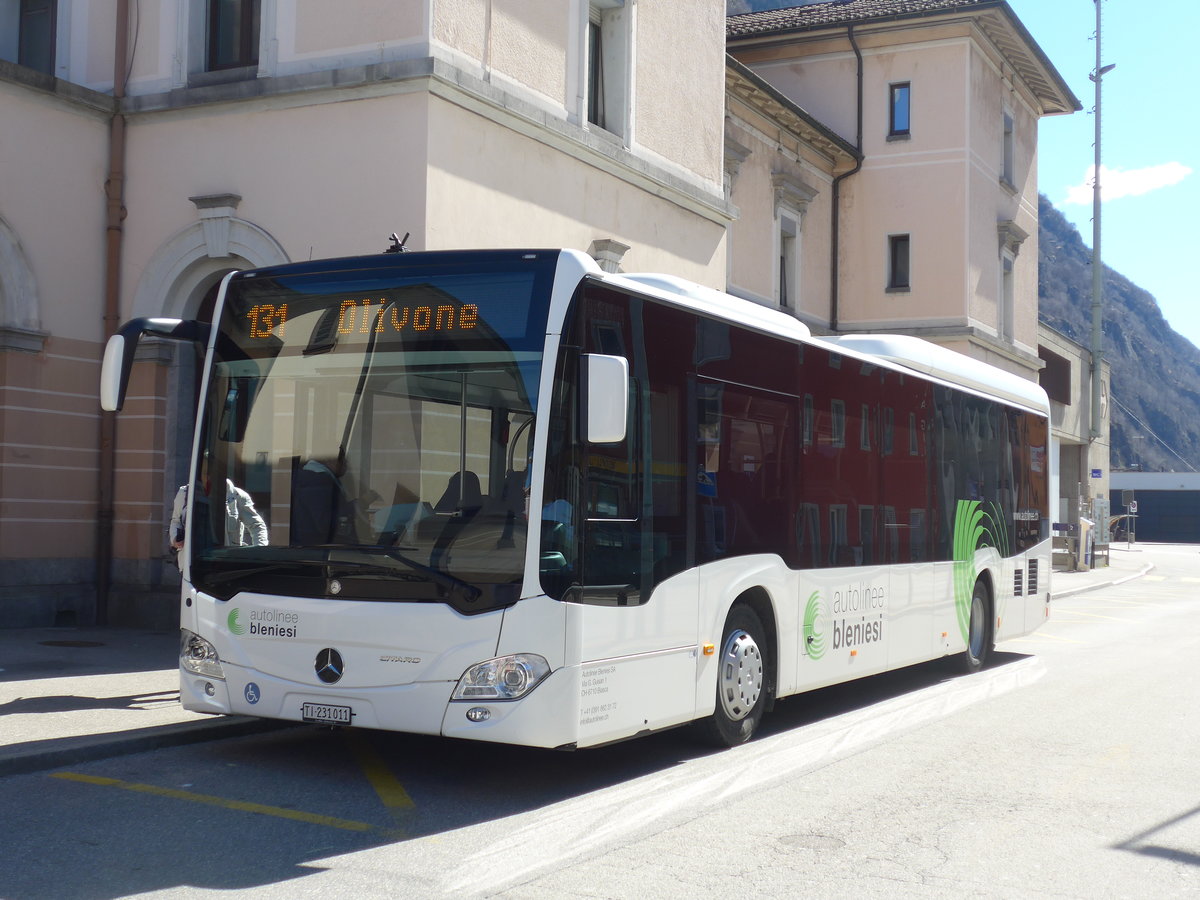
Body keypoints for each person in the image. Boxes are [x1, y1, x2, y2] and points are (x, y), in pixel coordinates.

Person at [169, 477, 269, 561]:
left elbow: (257, 526)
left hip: (227, 564)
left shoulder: (237, 496)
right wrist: (175, 538)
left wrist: (259, 553)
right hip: (192, 563)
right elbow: (176, 521)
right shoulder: (185, 493)